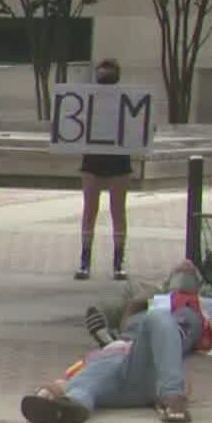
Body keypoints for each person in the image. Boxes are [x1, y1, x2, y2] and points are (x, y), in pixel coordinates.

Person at [21, 261, 212, 423]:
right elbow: (125, 326)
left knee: (159, 319)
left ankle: (173, 400)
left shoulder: (197, 312)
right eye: (179, 272)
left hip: (144, 365)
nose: (183, 275)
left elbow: (206, 338)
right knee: (86, 382)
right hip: (112, 365)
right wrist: (139, 302)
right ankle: (69, 408)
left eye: (189, 273)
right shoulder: (146, 305)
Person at [76, 58, 133, 282]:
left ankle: (118, 262)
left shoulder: (127, 101)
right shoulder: (88, 100)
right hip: (93, 159)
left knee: (117, 210)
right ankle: (84, 260)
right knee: (90, 210)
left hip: (118, 159)